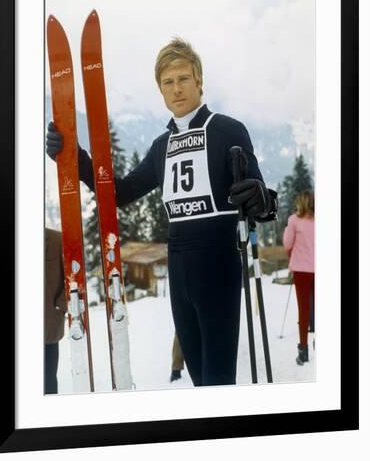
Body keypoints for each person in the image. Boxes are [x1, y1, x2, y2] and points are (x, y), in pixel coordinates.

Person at [47, 38, 277, 386]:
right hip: (179, 268)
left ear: (199, 81)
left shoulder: (227, 130)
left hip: (218, 264)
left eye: (184, 78)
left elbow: (261, 203)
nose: (177, 89)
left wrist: (262, 199)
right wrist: (74, 158)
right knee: (199, 377)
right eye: (168, 82)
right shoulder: (162, 146)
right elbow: (120, 193)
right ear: (160, 90)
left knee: (218, 379)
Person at [283, 190, 315, 365]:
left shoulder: (294, 220)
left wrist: (292, 254)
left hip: (302, 270)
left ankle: (303, 351)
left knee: (304, 310)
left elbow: (288, 243)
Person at [44, 227, 67, 394]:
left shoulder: (57, 239)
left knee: (49, 380)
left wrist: (60, 306)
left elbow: (72, 277)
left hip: (49, 324)